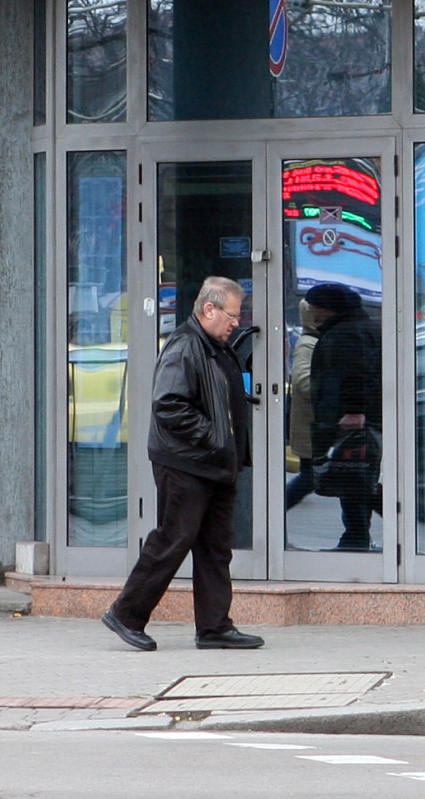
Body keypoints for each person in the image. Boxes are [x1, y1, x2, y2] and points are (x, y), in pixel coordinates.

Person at [102, 276, 264, 651]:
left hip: (216, 465)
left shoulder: (217, 346)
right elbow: (169, 405)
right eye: (232, 315)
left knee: (214, 548)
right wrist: (213, 436)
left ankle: (214, 627)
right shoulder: (185, 345)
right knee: (173, 539)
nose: (236, 322)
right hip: (187, 464)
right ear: (209, 309)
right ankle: (126, 613)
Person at [304, 282, 381, 551]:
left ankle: (356, 537)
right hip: (360, 419)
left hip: (349, 420)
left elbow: (357, 374)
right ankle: (356, 536)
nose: (311, 311)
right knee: (357, 478)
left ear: (328, 308)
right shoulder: (363, 328)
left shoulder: (346, 334)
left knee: (353, 479)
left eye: (314, 306)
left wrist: (354, 410)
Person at [282, 300, 321, 509]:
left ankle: (356, 534)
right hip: (311, 425)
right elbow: (304, 382)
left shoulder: (314, 341)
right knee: (310, 477)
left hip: (313, 425)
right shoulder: (308, 344)